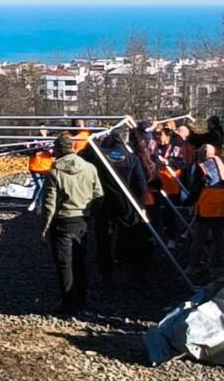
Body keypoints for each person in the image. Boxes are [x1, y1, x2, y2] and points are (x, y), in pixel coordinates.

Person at [41, 134, 104, 316]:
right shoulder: (90, 168)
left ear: (58, 150)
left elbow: (49, 203)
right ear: (73, 148)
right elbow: (98, 194)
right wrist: (90, 213)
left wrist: (44, 227)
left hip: (62, 221)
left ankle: (67, 302)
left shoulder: (54, 172)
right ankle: (82, 298)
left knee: (64, 263)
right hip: (82, 220)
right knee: (80, 261)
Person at [92, 128, 148, 284]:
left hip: (104, 202)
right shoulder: (132, 158)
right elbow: (141, 185)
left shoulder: (100, 156)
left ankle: (106, 274)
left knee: (104, 239)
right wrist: (141, 204)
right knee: (132, 235)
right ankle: (135, 271)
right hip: (126, 204)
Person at [186, 144, 224, 281]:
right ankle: (215, 267)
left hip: (206, 208)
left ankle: (192, 266)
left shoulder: (202, 167)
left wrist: (187, 201)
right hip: (222, 208)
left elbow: (196, 188)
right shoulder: (223, 165)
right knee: (218, 240)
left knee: (199, 238)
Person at [25, 129, 53, 212]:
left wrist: (48, 149)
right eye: (40, 129)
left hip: (45, 167)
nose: (41, 131)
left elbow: (53, 152)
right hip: (35, 166)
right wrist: (30, 147)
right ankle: (34, 202)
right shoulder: (34, 140)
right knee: (39, 186)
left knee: (42, 187)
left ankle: (39, 206)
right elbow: (29, 151)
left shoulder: (51, 141)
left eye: (43, 129)